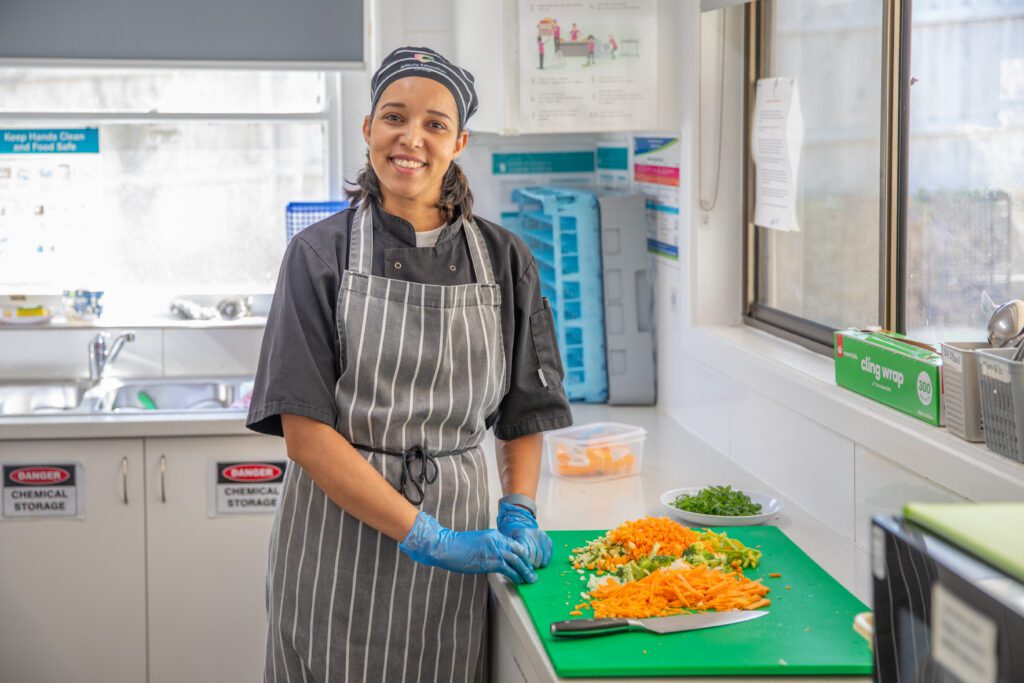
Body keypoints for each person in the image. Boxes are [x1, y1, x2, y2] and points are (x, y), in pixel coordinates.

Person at [246, 46, 573, 682]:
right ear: (368, 128)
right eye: (394, 117)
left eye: (435, 124)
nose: (411, 138)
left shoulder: (504, 259)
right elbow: (305, 435)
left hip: (460, 539)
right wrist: (428, 537)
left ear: (459, 142)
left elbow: (525, 410)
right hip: (335, 544)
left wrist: (520, 508)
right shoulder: (319, 255)